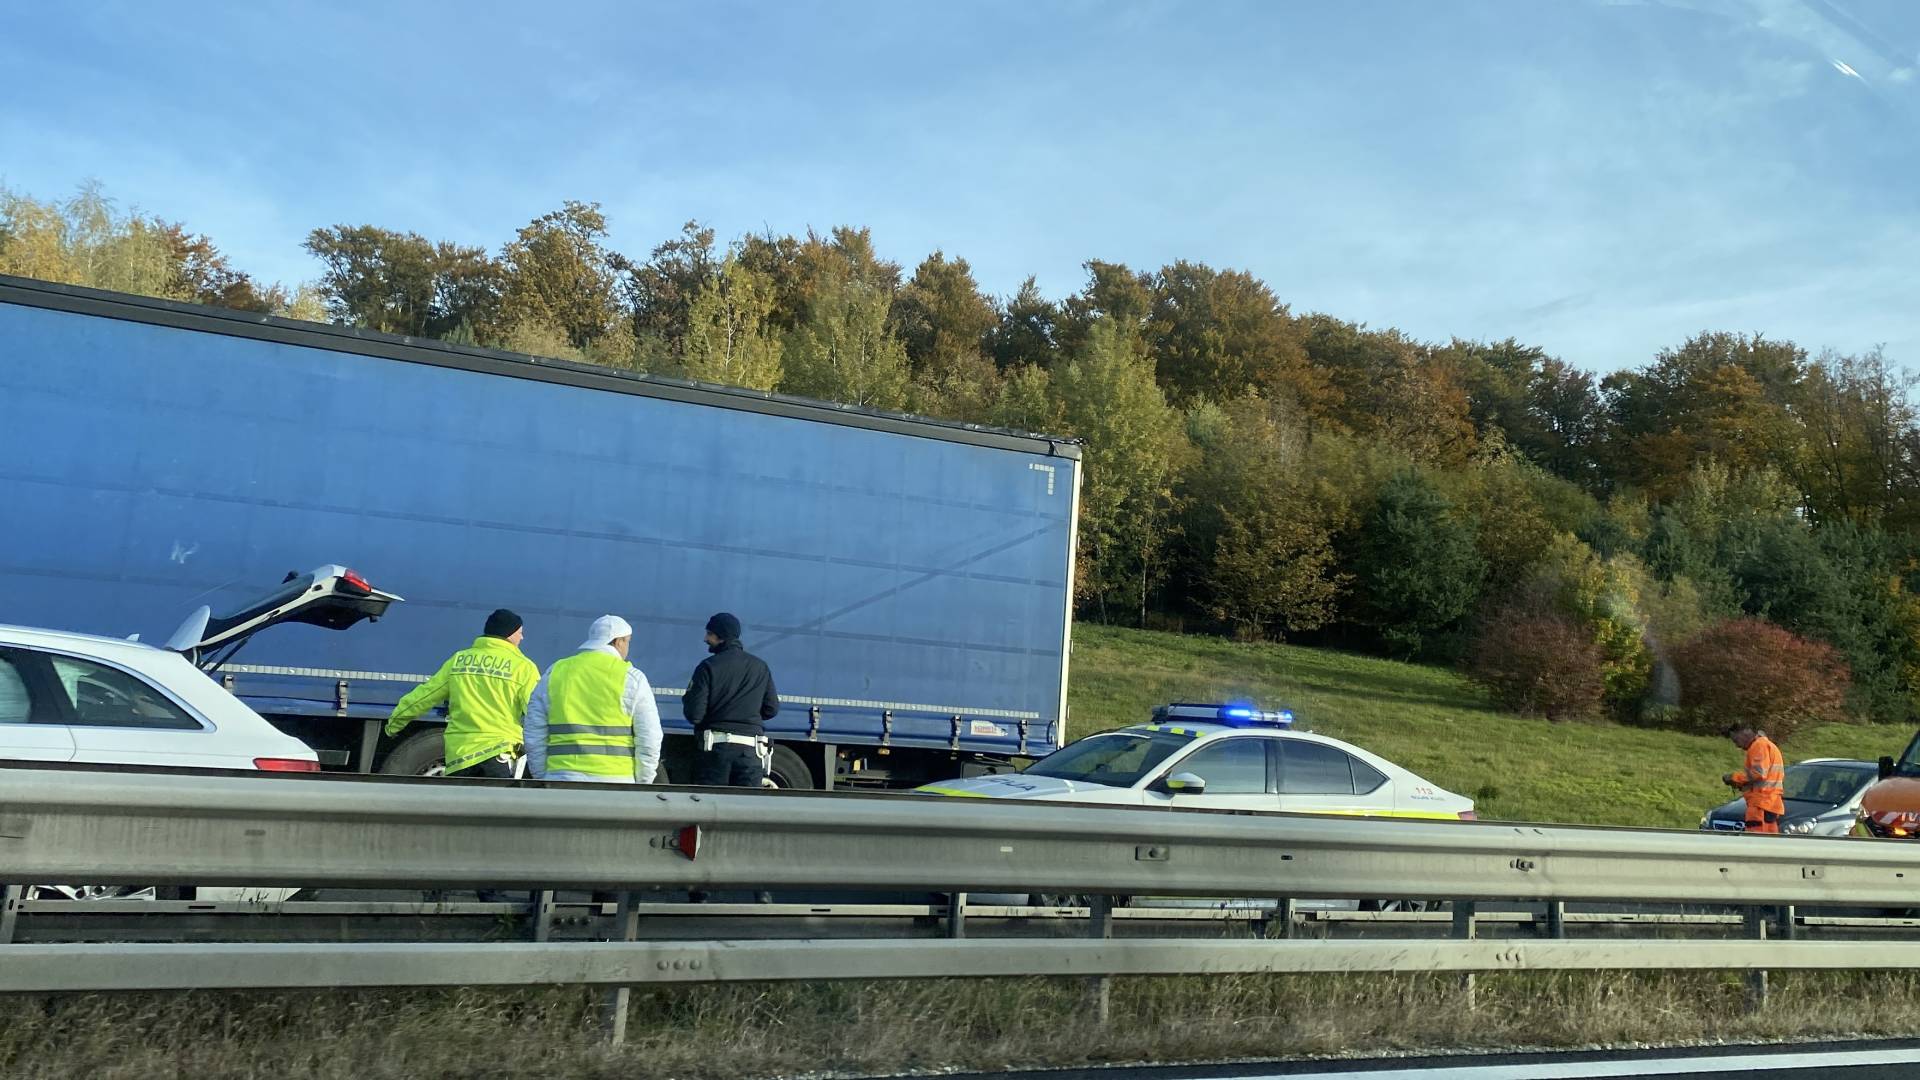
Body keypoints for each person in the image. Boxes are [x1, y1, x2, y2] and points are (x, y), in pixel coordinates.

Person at [385, 609, 538, 779]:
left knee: (460, 805)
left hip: (460, 756)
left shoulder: (459, 660)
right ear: (509, 634)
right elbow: (536, 710)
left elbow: (424, 696)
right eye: (520, 633)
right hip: (498, 752)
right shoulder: (523, 667)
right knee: (496, 804)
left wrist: (394, 724)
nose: (522, 638)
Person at [525, 615, 662, 784]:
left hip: (561, 779)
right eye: (628, 642)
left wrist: (543, 776)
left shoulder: (555, 672)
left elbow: (534, 731)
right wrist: (643, 782)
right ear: (618, 641)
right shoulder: (632, 678)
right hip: (616, 782)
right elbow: (649, 737)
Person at [685, 612, 780, 788]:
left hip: (716, 753)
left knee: (711, 810)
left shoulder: (708, 667)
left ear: (720, 636)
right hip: (751, 754)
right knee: (745, 812)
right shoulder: (760, 667)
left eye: (709, 634)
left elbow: (694, 714)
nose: (706, 639)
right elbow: (771, 709)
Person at [1724, 725, 1786, 835]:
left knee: (1755, 841)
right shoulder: (1766, 745)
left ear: (1745, 733)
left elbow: (1758, 773)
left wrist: (1734, 778)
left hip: (1760, 804)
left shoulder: (1759, 746)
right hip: (1769, 803)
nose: (1736, 745)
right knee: (1769, 844)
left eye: (1736, 740)